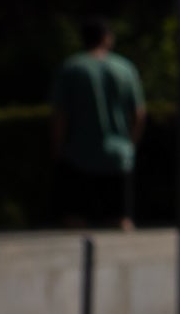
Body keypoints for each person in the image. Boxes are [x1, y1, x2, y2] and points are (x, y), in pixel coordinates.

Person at [48, 20, 146, 232]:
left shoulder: (72, 68)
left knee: (75, 223)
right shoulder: (125, 67)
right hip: (118, 155)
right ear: (106, 38)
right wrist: (131, 144)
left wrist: (57, 148)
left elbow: (60, 115)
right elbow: (138, 113)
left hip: (77, 155)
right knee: (120, 223)